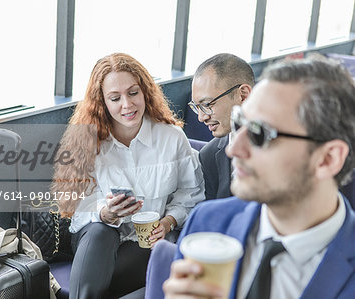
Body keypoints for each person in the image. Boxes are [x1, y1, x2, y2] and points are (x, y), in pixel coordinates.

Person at [162, 56, 355, 299]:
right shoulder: (207, 223)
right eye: (238, 123)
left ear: (327, 159)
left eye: (259, 133)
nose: (234, 149)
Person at [51, 53, 204, 299]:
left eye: (133, 93)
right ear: (102, 102)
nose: (127, 105)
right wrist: (105, 213)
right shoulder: (86, 141)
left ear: (144, 92)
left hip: (148, 240)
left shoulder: (171, 138)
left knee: (163, 248)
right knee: (101, 231)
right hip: (98, 240)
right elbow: (76, 205)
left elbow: (192, 193)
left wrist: (168, 222)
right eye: (115, 98)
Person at [189, 53, 254, 200]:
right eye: (196, 107)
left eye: (207, 105)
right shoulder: (209, 155)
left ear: (243, 95)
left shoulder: (285, 144)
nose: (201, 117)